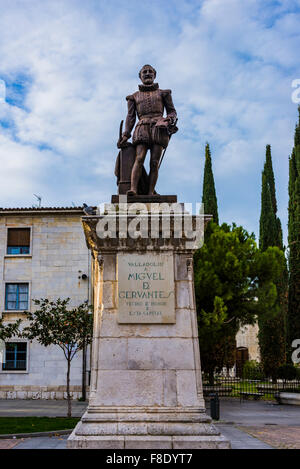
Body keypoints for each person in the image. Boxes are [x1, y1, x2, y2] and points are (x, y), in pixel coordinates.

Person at [118, 65, 178, 196]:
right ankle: (133, 189)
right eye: (144, 72)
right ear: (140, 76)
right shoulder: (133, 97)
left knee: (154, 162)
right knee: (139, 158)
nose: (147, 74)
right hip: (142, 127)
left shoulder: (164, 93)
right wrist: (126, 134)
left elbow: (172, 112)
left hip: (159, 128)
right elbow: (130, 117)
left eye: (150, 71)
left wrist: (168, 120)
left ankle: (151, 192)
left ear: (155, 75)